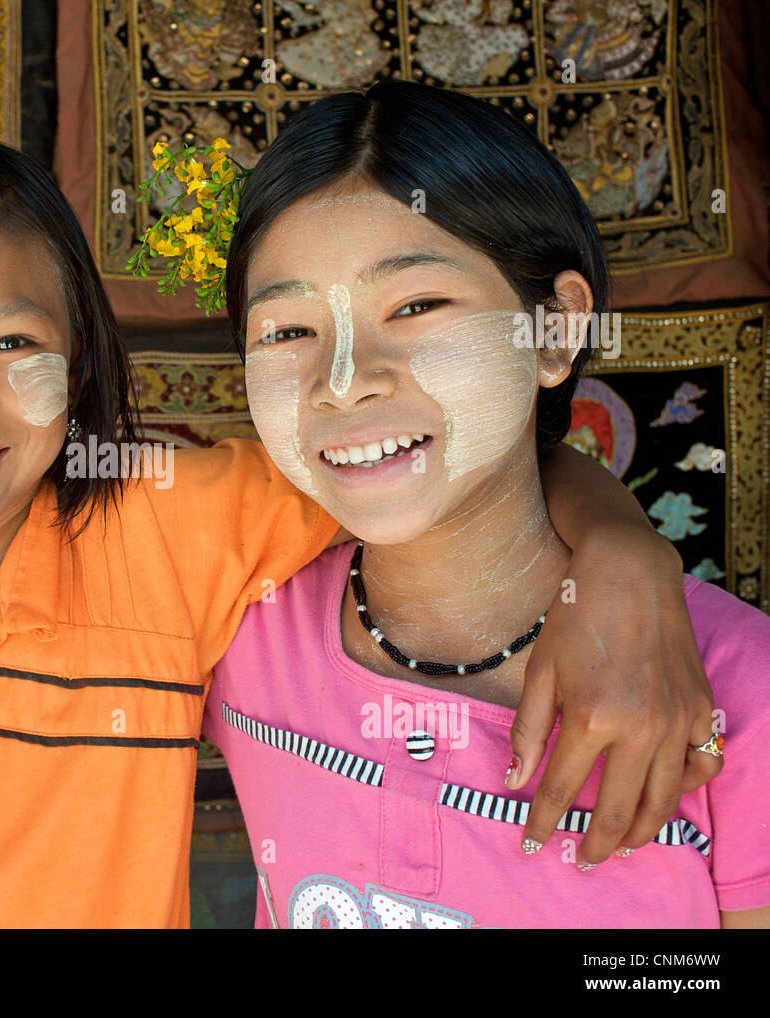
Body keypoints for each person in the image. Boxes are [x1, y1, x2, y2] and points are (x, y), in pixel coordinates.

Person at [0, 129, 715, 928]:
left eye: (12, 344)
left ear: (83, 366)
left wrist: (621, 562)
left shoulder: (165, 530)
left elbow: (434, 448)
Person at [202, 80, 767, 928]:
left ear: (551, 330)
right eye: (288, 331)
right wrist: (625, 548)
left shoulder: (728, 693)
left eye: (419, 305)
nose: (345, 382)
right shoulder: (233, 627)